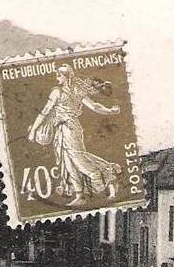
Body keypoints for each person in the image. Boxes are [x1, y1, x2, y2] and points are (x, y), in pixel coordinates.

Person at [27, 64, 123, 206]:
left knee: (78, 159)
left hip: (71, 128)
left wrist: (110, 111)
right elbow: (45, 111)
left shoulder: (69, 91)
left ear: (67, 77)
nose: (57, 78)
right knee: (69, 162)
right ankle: (80, 195)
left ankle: (103, 177)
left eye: (59, 75)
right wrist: (34, 129)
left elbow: (94, 106)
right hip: (61, 130)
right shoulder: (59, 92)